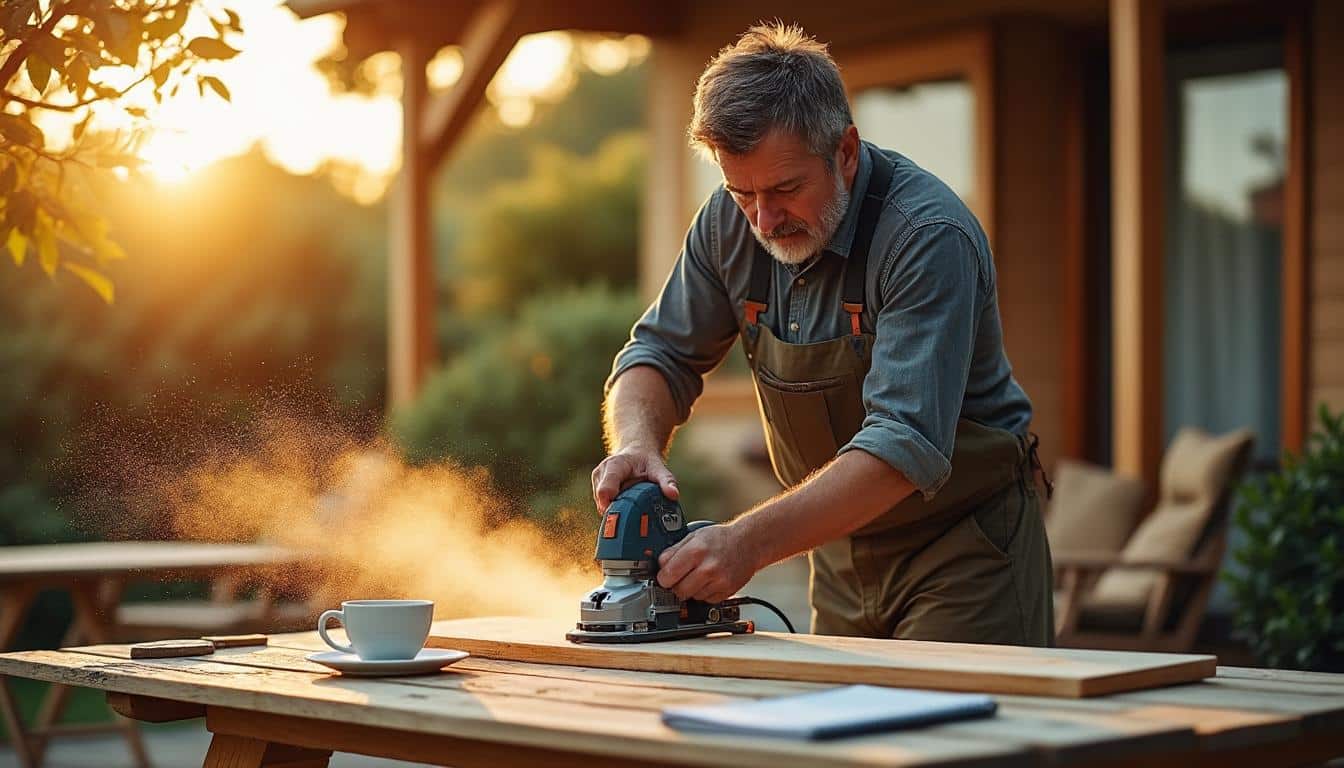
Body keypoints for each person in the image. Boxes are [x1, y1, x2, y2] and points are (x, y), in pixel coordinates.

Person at [591, 22, 1054, 644]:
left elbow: (903, 445)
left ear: (846, 151)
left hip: (965, 549)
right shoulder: (731, 223)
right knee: (844, 738)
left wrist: (745, 543)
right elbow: (659, 353)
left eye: (785, 188)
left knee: (948, 736)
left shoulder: (926, 237)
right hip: (837, 554)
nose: (763, 217)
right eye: (740, 191)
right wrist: (635, 442)